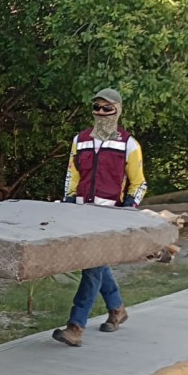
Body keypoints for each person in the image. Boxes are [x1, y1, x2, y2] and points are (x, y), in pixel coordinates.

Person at [53, 88, 147, 347]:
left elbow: (139, 183)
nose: (102, 113)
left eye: (108, 108)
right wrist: (68, 201)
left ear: (118, 110)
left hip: (109, 216)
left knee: (92, 268)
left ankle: (76, 325)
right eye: (97, 108)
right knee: (96, 264)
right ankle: (117, 309)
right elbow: (72, 174)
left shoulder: (129, 144)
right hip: (81, 212)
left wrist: (129, 209)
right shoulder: (80, 140)